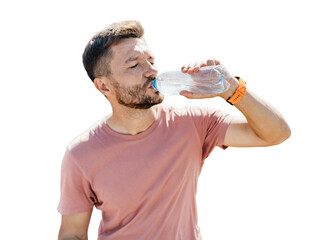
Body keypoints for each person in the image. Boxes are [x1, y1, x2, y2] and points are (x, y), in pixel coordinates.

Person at [57, 20, 291, 240]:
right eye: (134, 64)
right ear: (104, 86)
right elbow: (73, 234)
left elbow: (277, 133)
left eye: (151, 60)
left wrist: (231, 89)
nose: (151, 70)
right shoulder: (81, 154)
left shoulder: (194, 124)